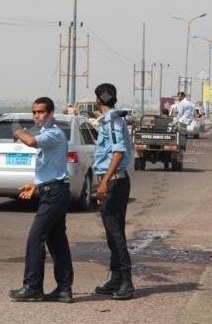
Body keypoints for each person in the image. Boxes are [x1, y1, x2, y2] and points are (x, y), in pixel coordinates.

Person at [9, 97, 74, 303]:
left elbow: (30, 142)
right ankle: (64, 289)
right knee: (56, 241)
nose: (37, 115)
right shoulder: (48, 133)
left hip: (55, 194)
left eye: (41, 112)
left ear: (51, 113)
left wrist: (17, 130)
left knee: (35, 237)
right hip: (51, 190)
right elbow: (53, 169)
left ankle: (33, 286)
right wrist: (36, 185)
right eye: (34, 112)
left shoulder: (53, 133)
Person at [92, 83, 135, 300]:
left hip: (114, 182)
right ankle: (116, 278)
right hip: (113, 181)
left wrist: (103, 183)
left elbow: (118, 153)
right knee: (112, 232)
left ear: (98, 100)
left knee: (115, 233)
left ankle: (127, 281)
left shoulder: (112, 122)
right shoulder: (112, 120)